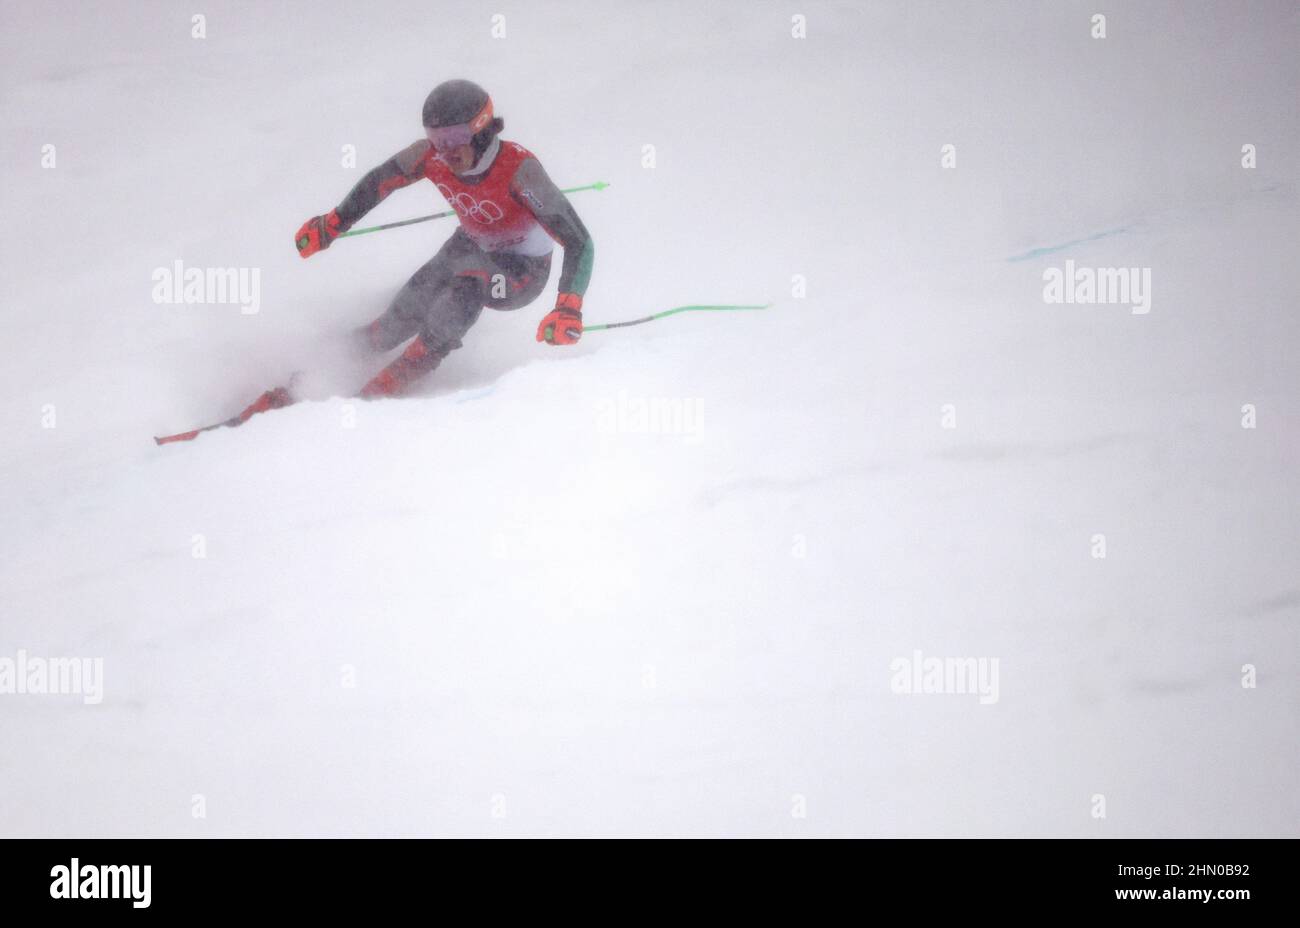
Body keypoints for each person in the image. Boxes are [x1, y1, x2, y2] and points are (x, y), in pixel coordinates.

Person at [294, 79, 595, 398]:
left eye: (455, 137)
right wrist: (334, 223)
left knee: (465, 290)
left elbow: (579, 241)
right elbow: (379, 182)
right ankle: (312, 375)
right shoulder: (431, 156)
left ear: (482, 130)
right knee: (396, 320)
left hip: (521, 272)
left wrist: (568, 305)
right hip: (468, 246)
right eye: (436, 138)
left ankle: (383, 388)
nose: (446, 149)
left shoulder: (519, 170)